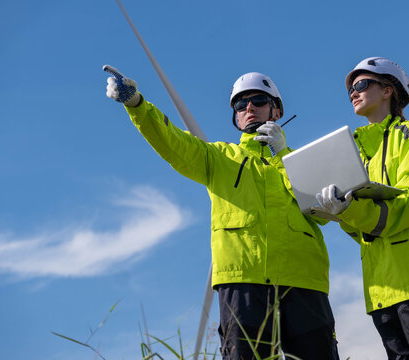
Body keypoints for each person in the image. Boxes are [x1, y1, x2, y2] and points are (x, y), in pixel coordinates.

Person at [104, 66, 340, 360]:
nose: (249, 107)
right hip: (242, 281)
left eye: (258, 101)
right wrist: (137, 105)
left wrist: (282, 155)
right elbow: (171, 141)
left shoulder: (301, 163)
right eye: (241, 104)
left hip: (304, 282)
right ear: (235, 115)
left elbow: (321, 213)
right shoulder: (217, 158)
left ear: (276, 110)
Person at [315, 57, 409, 359]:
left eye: (361, 84)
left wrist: (351, 211)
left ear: (388, 91)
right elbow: (364, 230)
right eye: (350, 90)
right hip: (382, 295)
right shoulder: (356, 155)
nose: (353, 93)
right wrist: (341, 211)